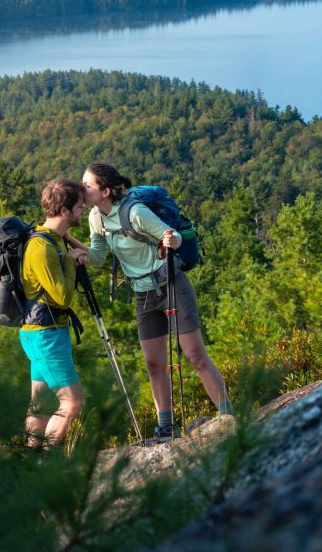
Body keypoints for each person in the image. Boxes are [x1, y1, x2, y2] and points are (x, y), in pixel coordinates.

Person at [80, 163, 231, 441]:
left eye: (88, 185)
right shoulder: (95, 218)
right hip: (143, 295)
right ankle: (166, 427)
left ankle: (227, 415)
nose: (82, 188)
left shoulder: (135, 212)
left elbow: (171, 235)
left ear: (106, 191)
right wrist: (75, 250)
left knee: (194, 355)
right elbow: (98, 256)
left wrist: (171, 240)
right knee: (153, 363)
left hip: (172, 285)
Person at [21, 177, 91, 448]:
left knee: (40, 404)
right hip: (46, 335)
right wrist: (71, 261)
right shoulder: (41, 248)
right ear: (64, 210)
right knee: (73, 402)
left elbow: (84, 251)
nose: (83, 210)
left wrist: (69, 241)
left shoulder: (52, 239)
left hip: (43, 333)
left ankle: (31, 457)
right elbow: (62, 298)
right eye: (79, 207)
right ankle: (46, 460)